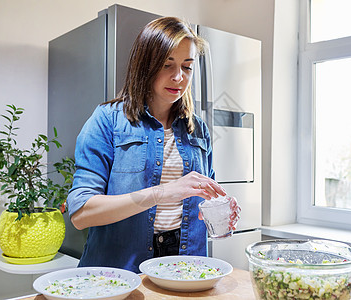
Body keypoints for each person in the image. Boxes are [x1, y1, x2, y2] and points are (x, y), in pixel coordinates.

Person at [67, 16, 241, 273]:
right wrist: (164, 192)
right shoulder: (107, 120)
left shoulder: (198, 128)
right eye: (167, 64)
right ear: (145, 65)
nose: (179, 77)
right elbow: (82, 214)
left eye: (187, 66)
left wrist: (217, 207)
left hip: (185, 268)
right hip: (120, 272)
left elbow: (200, 199)